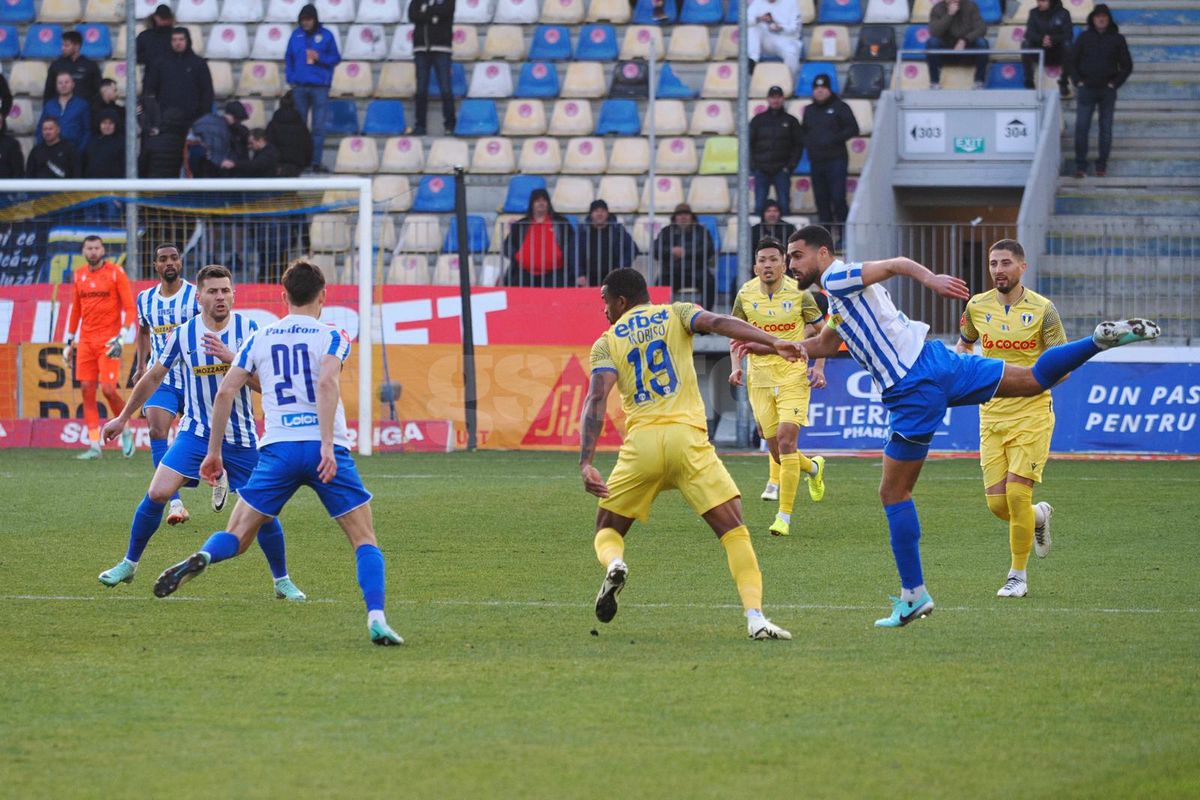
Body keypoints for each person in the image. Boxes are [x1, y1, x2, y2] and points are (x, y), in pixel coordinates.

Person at [766, 225, 1158, 628]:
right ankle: (1096, 341)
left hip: (912, 387)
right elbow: (828, 344)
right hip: (938, 362)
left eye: (797, 256)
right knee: (1032, 380)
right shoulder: (839, 298)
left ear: (823, 253)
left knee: (893, 491)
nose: (791, 264)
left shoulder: (836, 276)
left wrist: (930, 279)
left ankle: (914, 595)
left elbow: (895, 264)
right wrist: (769, 343)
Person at [152, 260, 404, 646]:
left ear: (283, 296)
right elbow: (325, 382)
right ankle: (376, 618)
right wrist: (325, 445)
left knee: (236, 535)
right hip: (325, 450)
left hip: (277, 449)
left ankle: (203, 557)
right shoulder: (333, 335)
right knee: (364, 539)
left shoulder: (260, 337)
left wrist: (214, 453)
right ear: (323, 296)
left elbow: (224, 392)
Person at [580, 268, 802, 640]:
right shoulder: (676, 313)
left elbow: (596, 399)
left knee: (607, 529)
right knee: (734, 531)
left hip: (643, 445)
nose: (604, 310)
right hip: (689, 441)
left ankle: (616, 563)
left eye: (605, 301)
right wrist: (773, 342)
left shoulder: (605, 342)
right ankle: (755, 618)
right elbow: (718, 322)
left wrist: (586, 461)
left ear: (620, 301)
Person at [99, 264, 305, 602]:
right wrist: (122, 417)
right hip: (195, 433)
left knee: (262, 512)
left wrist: (232, 358)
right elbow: (152, 376)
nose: (220, 297)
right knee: (156, 494)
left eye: (225, 290)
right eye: (213, 291)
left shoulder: (250, 331)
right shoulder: (184, 333)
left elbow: (266, 385)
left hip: (240, 439)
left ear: (234, 294)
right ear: (200, 297)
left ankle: (282, 580)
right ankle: (129, 564)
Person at [956, 240, 1066, 599]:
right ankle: (1038, 517)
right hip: (991, 413)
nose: (998, 269)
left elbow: (1061, 365)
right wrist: (964, 367)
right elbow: (965, 343)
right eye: (993, 263)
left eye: (1005, 263)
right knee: (998, 505)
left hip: (1032, 413)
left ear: (1023, 267)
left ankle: (1017, 575)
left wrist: (1034, 377)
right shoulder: (976, 306)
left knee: (1017, 495)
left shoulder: (1044, 310)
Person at [729, 238, 827, 537]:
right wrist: (735, 366)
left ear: (784, 264)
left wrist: (818, 367)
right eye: (763, 260)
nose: (768, 265)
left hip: (793, 374)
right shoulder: (744, 294)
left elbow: (823, 333)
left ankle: (783, 516)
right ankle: (812, 468)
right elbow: (733, 334)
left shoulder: (801, 295)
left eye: (774, 260)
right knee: (775, 451)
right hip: (759, 377)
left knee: (786, 441)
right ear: (755, 265)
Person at [131, 244, 200, 526]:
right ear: (156, 265)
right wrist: (140, 366)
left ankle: (217, 472)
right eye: (163, 259)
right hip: (163, 377)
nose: (169, 262)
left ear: (180, 263)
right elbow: (143, 331)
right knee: (157, 429)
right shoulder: (145, 299)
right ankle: (175, 502)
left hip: (198, 377)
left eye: (174, 258)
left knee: (205, 438)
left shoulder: (196, 295)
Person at [62, 235, 137, 460]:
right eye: (89, 248)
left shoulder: (116, 273)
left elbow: (130, 308)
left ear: (102, 250)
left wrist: (122, 336)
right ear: (84, 251)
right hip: (85, 341)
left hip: (109, 341)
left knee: (107, 389)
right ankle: (95, 444)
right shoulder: (79, 275)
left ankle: (125, 429)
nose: (93, 251)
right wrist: (69, 341)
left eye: (96, 248)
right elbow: (76, 310)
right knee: (86, 388)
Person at [1070, 4, 1132, 178]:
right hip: (1086, 90)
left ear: (1109, 19)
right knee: (1081, 128)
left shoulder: (1118, 39)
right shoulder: (1083, 37)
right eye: (1098, 16)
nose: (1101, 19)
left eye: (1104, 16)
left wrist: (1115, 83)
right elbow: (1071, 61)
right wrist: (1077, 81)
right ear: (1093, 18)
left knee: (1106, 130)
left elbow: (1127, 66)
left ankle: (1101, 166)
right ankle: (1080, 167)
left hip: (1107, 91)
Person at [801, 73, 859, 239]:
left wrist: (833, 139)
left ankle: (844, 236)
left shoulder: (840, 107)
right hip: (817, 161)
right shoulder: (809, 110)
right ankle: (825, 238)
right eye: (816, 88)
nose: (819, 91)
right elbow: (804, 131)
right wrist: (810, 143)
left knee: (838, 198)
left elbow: (853, 128)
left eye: (823, 88)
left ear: (829, 89)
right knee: (821, 200)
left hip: (836, 160)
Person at [285, 4, 340, 172]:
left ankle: (315, 162)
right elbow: (289, 58)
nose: (305, 23)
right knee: (299, 127)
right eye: (303, 20)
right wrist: (291, 78)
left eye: (308, 20)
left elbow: (336, 58)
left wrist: (320, 57)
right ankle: (301, 161)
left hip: (319, 87)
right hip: (300, 87)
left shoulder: (326, 36)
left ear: (315, 19)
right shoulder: (296, 35)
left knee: (318, 127)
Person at [502, 188, 577, 288]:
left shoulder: (561, 223)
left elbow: (572, 244)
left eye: (544, 200)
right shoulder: (522, 224)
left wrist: (562, 256)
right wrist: (517, 256)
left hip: (555, 276)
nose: (541, 203)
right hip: (524, 275)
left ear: (548, 203)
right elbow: (508, 245)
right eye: (537, 201)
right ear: (532, 204)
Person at [143, 27, 214, 129]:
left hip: (192, 122)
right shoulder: (160, 63)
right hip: (165, 121)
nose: (178, 43)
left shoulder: (199, 64)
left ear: (187, 40)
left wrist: (201, 117)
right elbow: (150, 90)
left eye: (181, 39)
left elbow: (207, 92)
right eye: (174, 40)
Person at [749, 85, 803, 216]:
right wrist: (754, 166)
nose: (775, 100)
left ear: (783, 99)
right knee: (760, 206)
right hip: (761, 169)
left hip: (782, 170)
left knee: (784, 205)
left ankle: (786, 236)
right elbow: (748, 144)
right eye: (773, 97)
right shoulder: (758, 120)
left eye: (778, 97)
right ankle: (758, 236)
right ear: (767, 99)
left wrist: (790, 167)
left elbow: (798, 145)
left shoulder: (791, 121)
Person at [653, 203, 717, 311]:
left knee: (709, 283)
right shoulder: (666, 231)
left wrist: (685, 252)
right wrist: (671, 251)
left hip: (697, 271)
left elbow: (708, 249)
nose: (683, 217)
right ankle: (659, 317)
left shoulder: (701, 231)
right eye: (679, 214)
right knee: (659, 285)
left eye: (686, 214)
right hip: (671, 272)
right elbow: (656, 250)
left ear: (692, 217)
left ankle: (705, 316)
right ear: (675, 217)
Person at [408, 0, 456, 136]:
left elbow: (446, 12)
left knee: (445, 88)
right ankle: (420, 126)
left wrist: (425, 11)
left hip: (442, 48)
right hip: (421, 49)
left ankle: (450, 125)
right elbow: (412, 15)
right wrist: (433, 15)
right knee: (421, 89)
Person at [926, 0, 990, 89]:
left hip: (967, 48)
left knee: (982, 43)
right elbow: (934, 32)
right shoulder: (937, 8)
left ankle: (979, 81)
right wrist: (949, 15)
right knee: (932, 42)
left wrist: (965, 40)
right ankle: (934, 82)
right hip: (946, 50)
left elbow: (982, 29)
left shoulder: (971, 6)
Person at [576, 199, 637, 287]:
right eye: (596, 211)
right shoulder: (582, 231)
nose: (599, 214)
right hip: (588, 278)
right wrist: (579, 274)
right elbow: (573, 253)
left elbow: (632, 249)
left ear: (607, 213)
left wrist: (620, 269)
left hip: (613, 278)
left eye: (603, 211)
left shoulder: (617, 230)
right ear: (591, 214)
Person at [1022, 0, 1074, 96]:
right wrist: (1042, 39)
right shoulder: (1033, 12)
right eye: (1038, 1)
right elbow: (1029, 33)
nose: (1039, 4)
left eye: (1043, 1)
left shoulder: (1064, 13)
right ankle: (1029, 81)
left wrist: (1052, 40)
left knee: (1069, 45)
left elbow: (1068, 34)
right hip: (1040, 50)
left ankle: (1063, 82)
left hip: (1057, 51)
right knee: (1026, 44)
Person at [190, 101, 249, 178]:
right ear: (235, 117)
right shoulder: (223, 128)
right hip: (215, 171)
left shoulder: (207, 119)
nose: (239, 123)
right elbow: (216, 148)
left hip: (199, 166)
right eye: (239, 120)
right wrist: (221, 161)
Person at [746, 0, 803, 76]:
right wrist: (759, 19)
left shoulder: (791, 2)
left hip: (787, 39)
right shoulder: (758, 2)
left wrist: (780, 28)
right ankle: (752, 60)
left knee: (791, 52)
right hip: (767, 40)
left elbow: (796, 28)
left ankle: (790, 81)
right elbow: (745, 21)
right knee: (753, 27)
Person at [44, 30, 102, 105]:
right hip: (60, 111)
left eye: (66, 45)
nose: (63, 48)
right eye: (62, 45)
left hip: (84, 111)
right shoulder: (56, 65)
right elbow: (48, 91)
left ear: (77, 47)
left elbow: (97, 92)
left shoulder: (90, 65)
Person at [38, 73, 91, 153]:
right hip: (51, 150)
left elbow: (87, 131)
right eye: (60, 83)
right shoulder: (49, 105)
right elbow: (40, 128)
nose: (63, 85)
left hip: (74, 150)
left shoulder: (82, 105)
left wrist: (80, 151)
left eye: (66, 82)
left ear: (73, 84)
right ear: (56, 86)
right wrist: (41, 148)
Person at [266, 91, 314, 177]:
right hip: (296, 165)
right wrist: (306, 163)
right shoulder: (301, 126)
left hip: (277, 165)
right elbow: (308, 147)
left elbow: (268, 145)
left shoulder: (272, 125)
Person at [138, 104, 187, 178]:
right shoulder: (183, 143)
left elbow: (141, 165)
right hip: (175, 184)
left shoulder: (152, 141)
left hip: (153, 183)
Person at [84, 109, 124, 178]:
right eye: (104, 123)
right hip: (93, 184)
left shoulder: (122, 143)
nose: (107, 126)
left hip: (115, 184)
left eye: (111, 123)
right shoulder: (92, 141)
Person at [136, 4, 176, 69]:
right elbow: (135, 57)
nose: (164, 21)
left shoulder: (177, 35)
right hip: (151, 72)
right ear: (155, 17)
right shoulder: (144, 36)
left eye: (166, 18)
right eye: (162, 18)